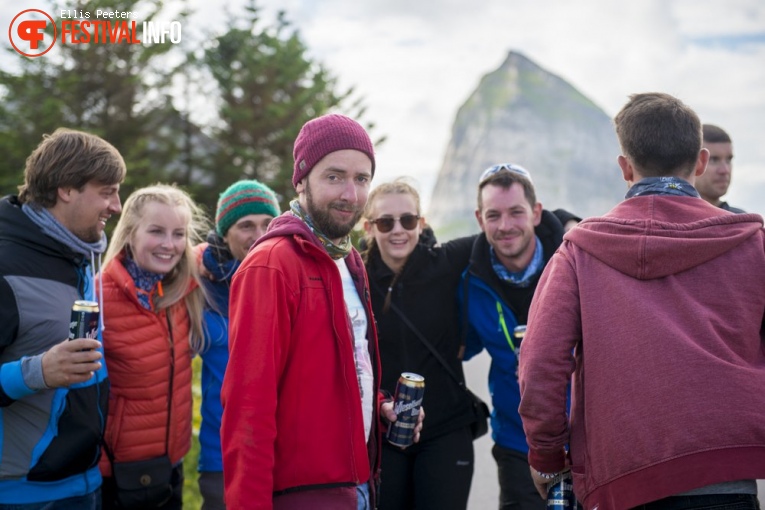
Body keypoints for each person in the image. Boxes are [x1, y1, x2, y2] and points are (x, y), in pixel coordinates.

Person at [518, 92, 765, 509]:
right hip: (728, 476)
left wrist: (545, 457)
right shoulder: (752, 243)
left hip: (621, 481)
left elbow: (541, 363)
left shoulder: (579, 251)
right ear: (701, 162)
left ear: (625, 167)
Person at [221, 114, 422, 510]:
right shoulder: (272, 264)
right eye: (334, 177)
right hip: (301, 496)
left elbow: (344, 366)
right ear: (300, 180)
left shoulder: (348, 262)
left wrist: (378, 405)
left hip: (359, 485)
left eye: (362, 179)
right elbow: (248, 409)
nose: (350, 193)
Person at [0, 128, 124, 508]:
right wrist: (35, 372)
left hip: (84, 482)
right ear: (66, 189)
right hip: (22, 495)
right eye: (106, 192)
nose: (117, 206)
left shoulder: (78, 253)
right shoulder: (6, 265)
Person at [362, 179, 476, 510]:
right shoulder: (357, 278)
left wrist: (565, 219)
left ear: (421, 223)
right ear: (369, 227)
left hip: (446, 430)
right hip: (384, 432)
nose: (398, 230)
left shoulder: (447, 262)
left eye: (407, 220)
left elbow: (510, 231)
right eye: (386, 222)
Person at [458, 163, 564, 510]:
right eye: (494, 215)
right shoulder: (468, 283)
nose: (505, 226)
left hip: (588, 440)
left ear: (536, 213)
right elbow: (454, 347)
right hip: (518, 445)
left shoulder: (574, 263)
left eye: (516, 212)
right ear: (479, 219)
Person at [98, 184, 208, 510]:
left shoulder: (181, 290)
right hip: (115, 476)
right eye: (156, 231)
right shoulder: (98, 296)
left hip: (170, 466)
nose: (169, 244)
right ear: (130, 233)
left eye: (178, 234)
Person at [197, 179, 281, 510]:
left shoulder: (288, 278)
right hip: (222, 456)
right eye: (246, 225)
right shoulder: (201, 286)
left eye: (268, 224)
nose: (259, 235)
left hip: (283, 451)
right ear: (224, 233)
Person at [694, 124, 745, 213]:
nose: (725, 170)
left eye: (728, 160)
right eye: (714, 160)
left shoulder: (742, 221)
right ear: (691, 163)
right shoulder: (670, 220)